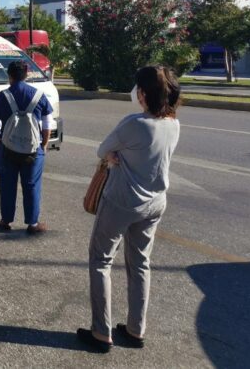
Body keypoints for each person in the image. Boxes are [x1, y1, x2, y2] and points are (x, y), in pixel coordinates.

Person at [77, 65, 181, 353]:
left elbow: (103, 149)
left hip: (122, 202)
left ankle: (101, 332)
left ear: (144, 93)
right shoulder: (174, 125)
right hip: (155, 203)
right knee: (140, 264)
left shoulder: (134, 123)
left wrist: (112, 155)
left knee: (100, 261)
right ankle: (136, 330)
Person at [0, 60, 53, 234]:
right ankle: (32, 223)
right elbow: (47, 124)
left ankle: (5, 220)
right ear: (26, 75)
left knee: (7, 185)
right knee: (31, 185)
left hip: (7, 150)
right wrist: (44, 145)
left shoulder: (2, 97)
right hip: (33, 150)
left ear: (9, 76)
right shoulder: (39, 96)